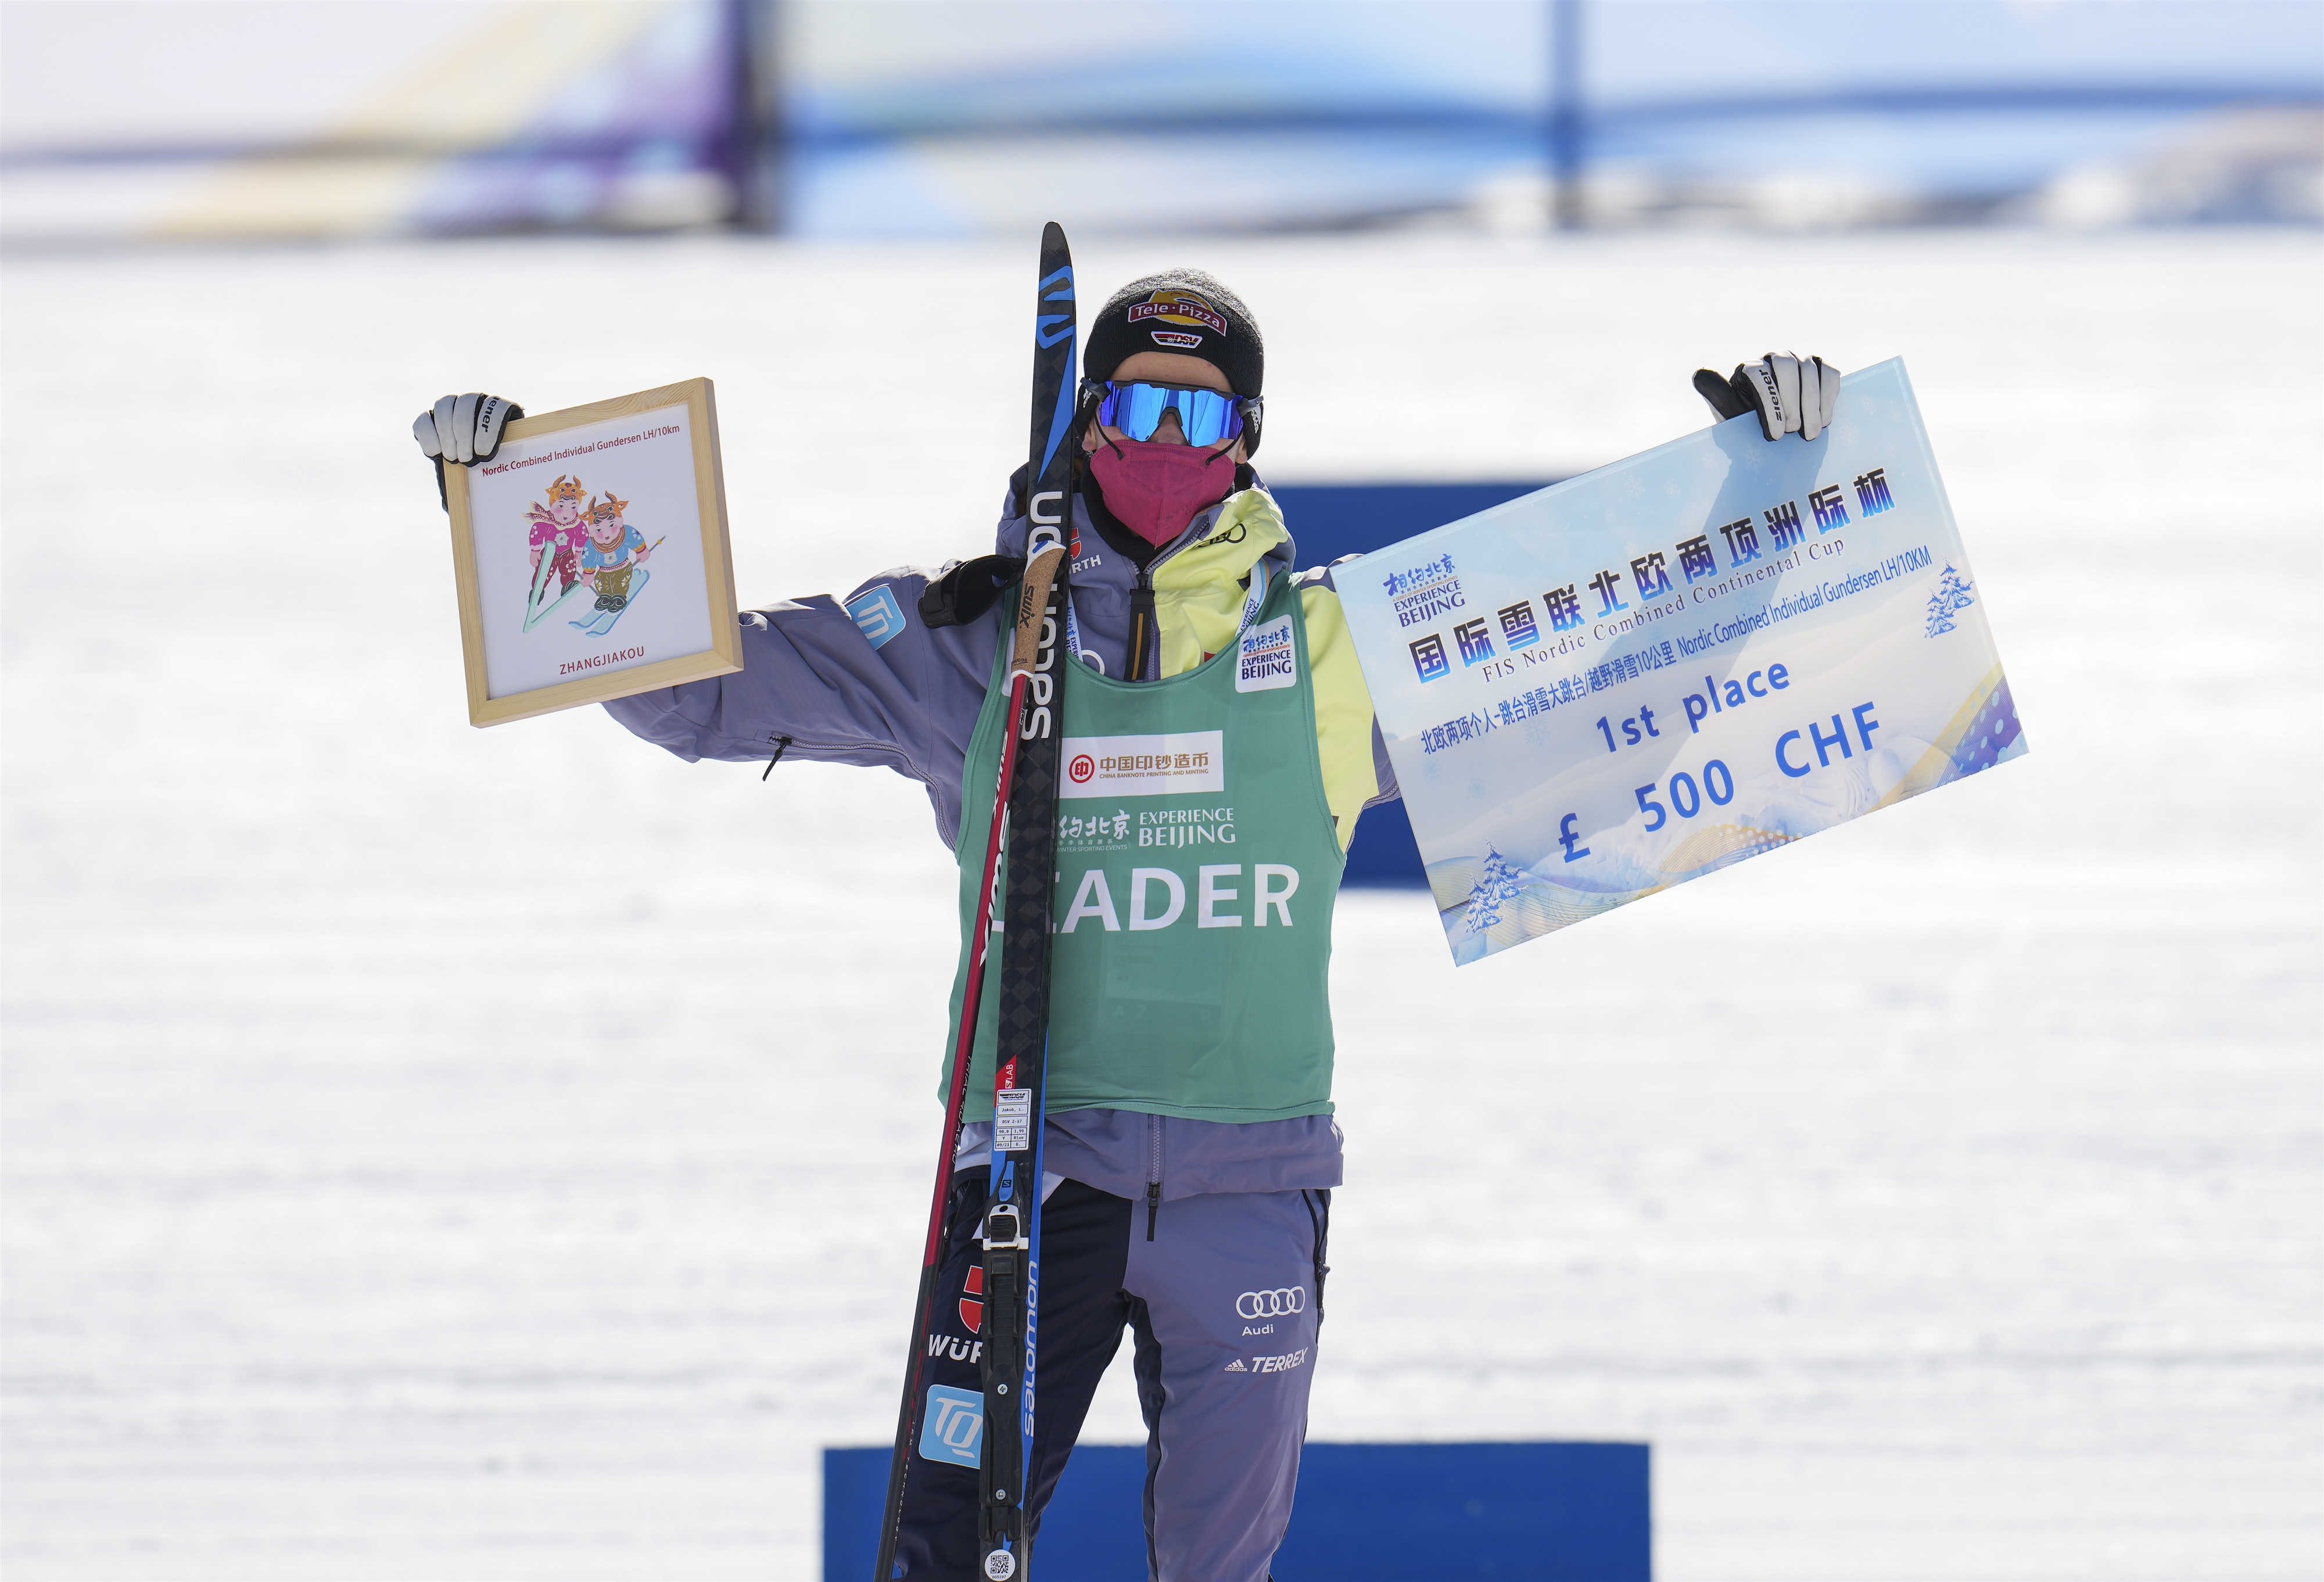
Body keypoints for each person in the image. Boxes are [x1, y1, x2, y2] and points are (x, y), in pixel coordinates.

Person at [414, 270, 1839, 1582]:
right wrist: (515, 500)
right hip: (1032, 1174)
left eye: (1197, 410)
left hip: (1253, 1180)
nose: (1163, 437)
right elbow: (691, 696)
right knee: (937, 1558)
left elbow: (1590, 704)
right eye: (1136, 405)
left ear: (1247, 439)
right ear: (1086, 422)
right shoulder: (968, 641)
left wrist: (1767, 486)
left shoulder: (1334, 650)